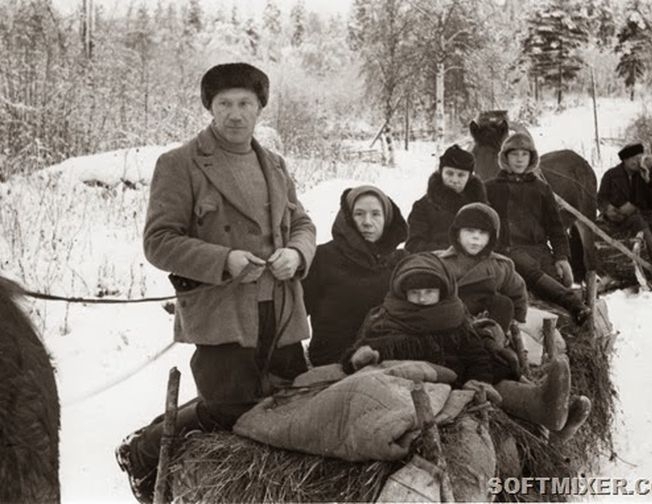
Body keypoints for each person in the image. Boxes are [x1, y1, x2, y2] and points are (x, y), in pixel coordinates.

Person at [116, 62, 316, 503]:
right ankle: (144, 451)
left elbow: (301, 221)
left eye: (245, 103)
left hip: (280, 310)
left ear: (260, 108)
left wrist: (297, 252)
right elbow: (158, 241)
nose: (235, 114)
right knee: (229, 409)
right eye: (224, 104)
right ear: (210, 107)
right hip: (223, 311)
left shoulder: (275, 164)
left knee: (289, 407)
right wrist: (223, 259)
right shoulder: (180, 163)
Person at [342, 253, 591, 441]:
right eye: (414, 292)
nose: (421, 298)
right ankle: (547, 422)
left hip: (461, 378)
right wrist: (361, 356)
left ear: (442, 291)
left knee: (496, 373)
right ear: (401, 291)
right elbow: (358, 351)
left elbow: (475, 353)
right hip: (413, 387)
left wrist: (479, 379)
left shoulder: (453, 314)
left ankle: (544, 407)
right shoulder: (385, 316)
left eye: (429, 292)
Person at [485, 132, 591, 324]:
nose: (519, 159)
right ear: (505, 157)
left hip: (540, 251)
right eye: (514, 154)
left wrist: (561, 257)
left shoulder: (541, 188)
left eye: (524, 154)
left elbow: (556, 228)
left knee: (553, 289)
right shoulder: (491, 188)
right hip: (508, 252)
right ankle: (573, 302)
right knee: (533, 275)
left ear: (531, 158)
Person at [304, 185, 408, 366]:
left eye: (376, 214)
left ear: (387, 219)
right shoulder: (323, 257)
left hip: (389, 358)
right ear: (348, 219)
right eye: (359, 214)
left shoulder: (401, 261)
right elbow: (299, 310)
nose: (367, 222)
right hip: (333, 360)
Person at [435, 202, 528, 336]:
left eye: (483, 232)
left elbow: (517, 291)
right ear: (457, 234)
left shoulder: (500, 265)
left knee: (503, 303)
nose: (476, 237)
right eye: (469, 231)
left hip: (486, 319)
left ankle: (493, 340)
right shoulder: (441, 262)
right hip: (451, 319)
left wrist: (518, 319)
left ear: (491, 238)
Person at [598, 142, 652, 278]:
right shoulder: (611, 175)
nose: (637, 162)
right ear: (625, 160)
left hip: (640, 212)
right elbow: (601, 197)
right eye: (634, 158)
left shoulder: (642, 173)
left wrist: (648, 180)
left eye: (640, 158)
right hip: (619, 215)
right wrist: (608, 209)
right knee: (639, 223)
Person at [406, 144, 487, 252]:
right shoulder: (423, 206)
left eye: (461, 175)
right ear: (441, 173)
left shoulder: (480, 206)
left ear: (469, 177)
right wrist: (451, 252)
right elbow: (414, 244)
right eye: (449, 173)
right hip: (437, 262)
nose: (454, 180)